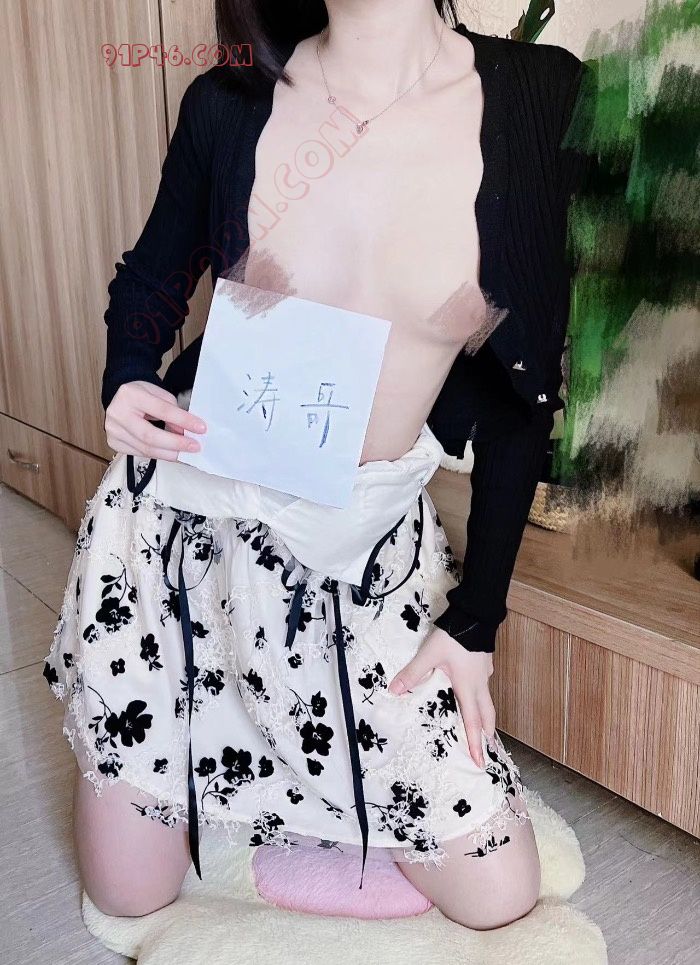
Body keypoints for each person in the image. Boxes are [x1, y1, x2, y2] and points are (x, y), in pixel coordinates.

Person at [43, 0, 590, 932]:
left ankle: (290, 794)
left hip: (359, 555)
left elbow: (525, 394)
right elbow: (154, 276)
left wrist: (475, 621)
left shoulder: (539, 96)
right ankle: (243, 782)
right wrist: (128, 372)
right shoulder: (229, 101)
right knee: (128, 895)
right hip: (180, 538)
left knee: (500, 892)